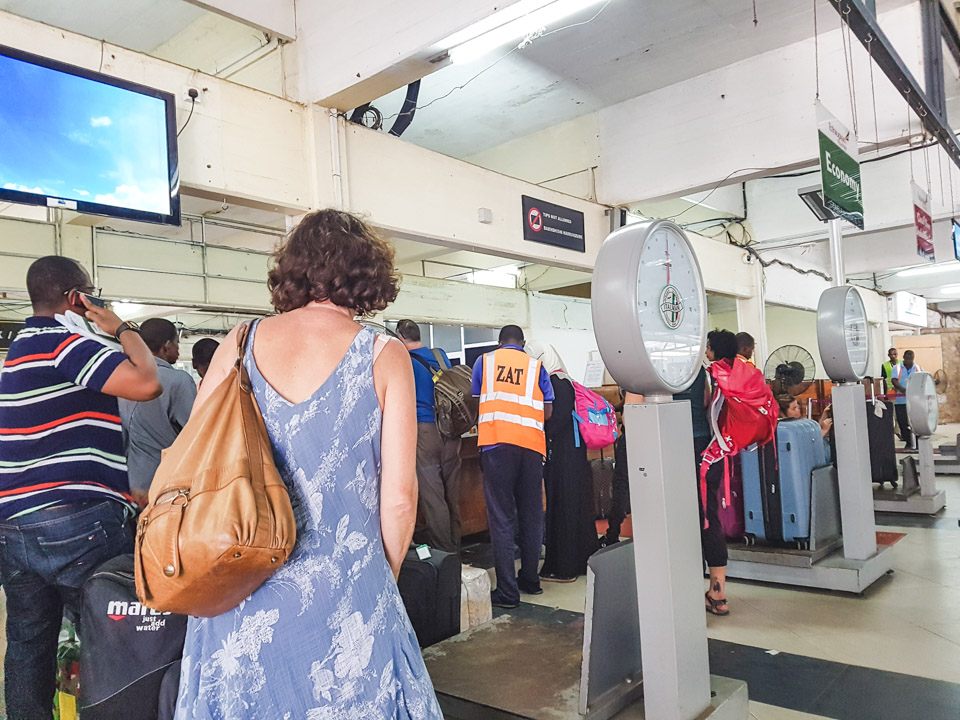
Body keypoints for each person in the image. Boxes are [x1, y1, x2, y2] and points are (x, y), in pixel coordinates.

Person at [175, 209, 441, 719]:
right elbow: (401, 497)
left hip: (240, 576)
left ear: (293, 270)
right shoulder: (384, 355)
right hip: (345, 582)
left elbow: (196, 451)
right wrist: (371, 578)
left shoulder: (240, 341)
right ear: (370, 274)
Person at [0, 256, 161, 720]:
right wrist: (121, 326)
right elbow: (147, 382)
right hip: (75, 519)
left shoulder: (22, 346)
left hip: (17, 523)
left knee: (30, 643)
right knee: (116, 634)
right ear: (78, 298)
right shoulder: (65, 342)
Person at [472, 325, 554, 609]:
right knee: (532, 515)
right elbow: (548, 409)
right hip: (531, 447)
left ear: (499, 342)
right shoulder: (536, 366)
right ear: (523, 343)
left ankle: (507, 592)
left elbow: (476, 402)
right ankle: (530, 580)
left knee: (502, 517)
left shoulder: (485, 362)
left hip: (496, 446)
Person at [527, 341, 599, 582]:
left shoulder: (556, 383)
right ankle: (578, 561)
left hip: (564, 456)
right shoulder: (565, 381)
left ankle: (564, 567)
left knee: (563, 508)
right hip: (573, 454)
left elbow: (555, 422)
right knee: (574, 507)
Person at [396, 318, 462, 553]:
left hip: (425, 431)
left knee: (433, 495)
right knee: (451, 492)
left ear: (400, 338)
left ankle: (446, 553)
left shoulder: (403, 362)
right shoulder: (440, 354)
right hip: (451, 431)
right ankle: (457, 544)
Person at [119, 318, 197, 507]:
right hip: (169, 484)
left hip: (131, 484)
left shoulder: (122, 379)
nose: (178, 350)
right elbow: (197, 434)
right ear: (167, 346)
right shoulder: (178, 381)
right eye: (177, 343)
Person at [699, 330, 736, 616]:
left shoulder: (705, 374)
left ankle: (713, 592)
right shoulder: (735, 374)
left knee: (699, 522)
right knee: (711, 518)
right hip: (718, 455)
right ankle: (718, 591)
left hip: (695, 455)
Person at [891, 350, 922, 449]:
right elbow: (894, 380)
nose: (909, 361)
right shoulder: (897, 368)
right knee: (902, 421)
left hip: (914, 401)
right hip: (901, 401)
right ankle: (908, 441)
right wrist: (902, 389)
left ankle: (917, 442)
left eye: (911, 359)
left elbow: (921, 380)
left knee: (915, 421)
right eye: (907, 359)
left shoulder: (917, 368)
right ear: (903, 357)